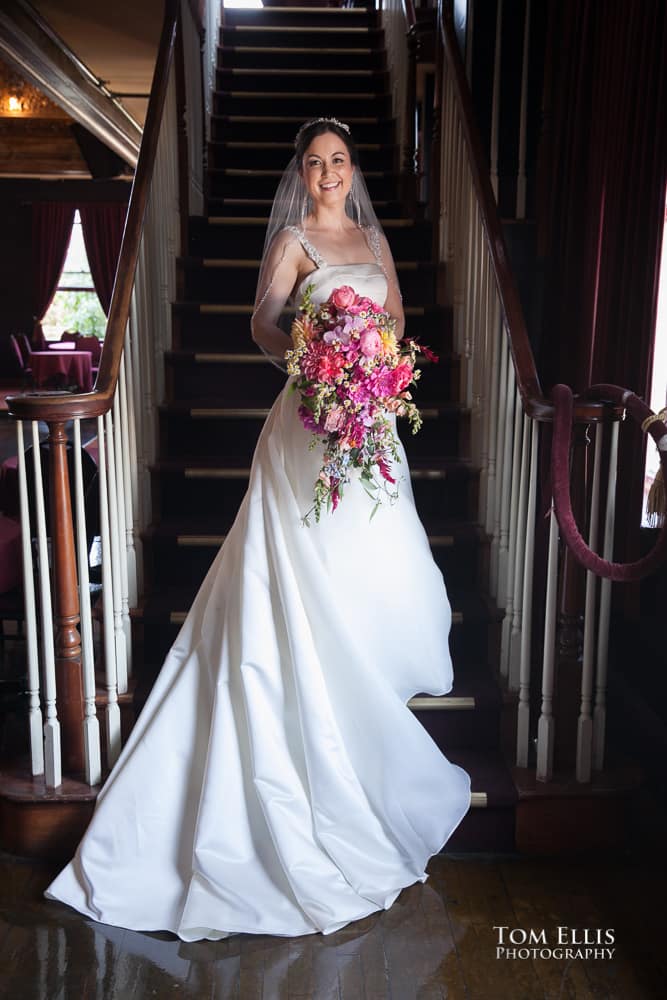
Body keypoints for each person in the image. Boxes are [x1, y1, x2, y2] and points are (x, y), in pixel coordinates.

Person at [44, 118, 472, 941]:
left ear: (352, 170)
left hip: (370, 422)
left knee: (366, 567)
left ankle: (359, 694)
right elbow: (263, 323)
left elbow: (393, 328)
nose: (327, 175)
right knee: (299, 567)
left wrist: (372, 370)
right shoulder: (291, 240)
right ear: (301, 174)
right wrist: (313, 361)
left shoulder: (375, 243)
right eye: (314, 164)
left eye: (339, 162)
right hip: (307, 420)